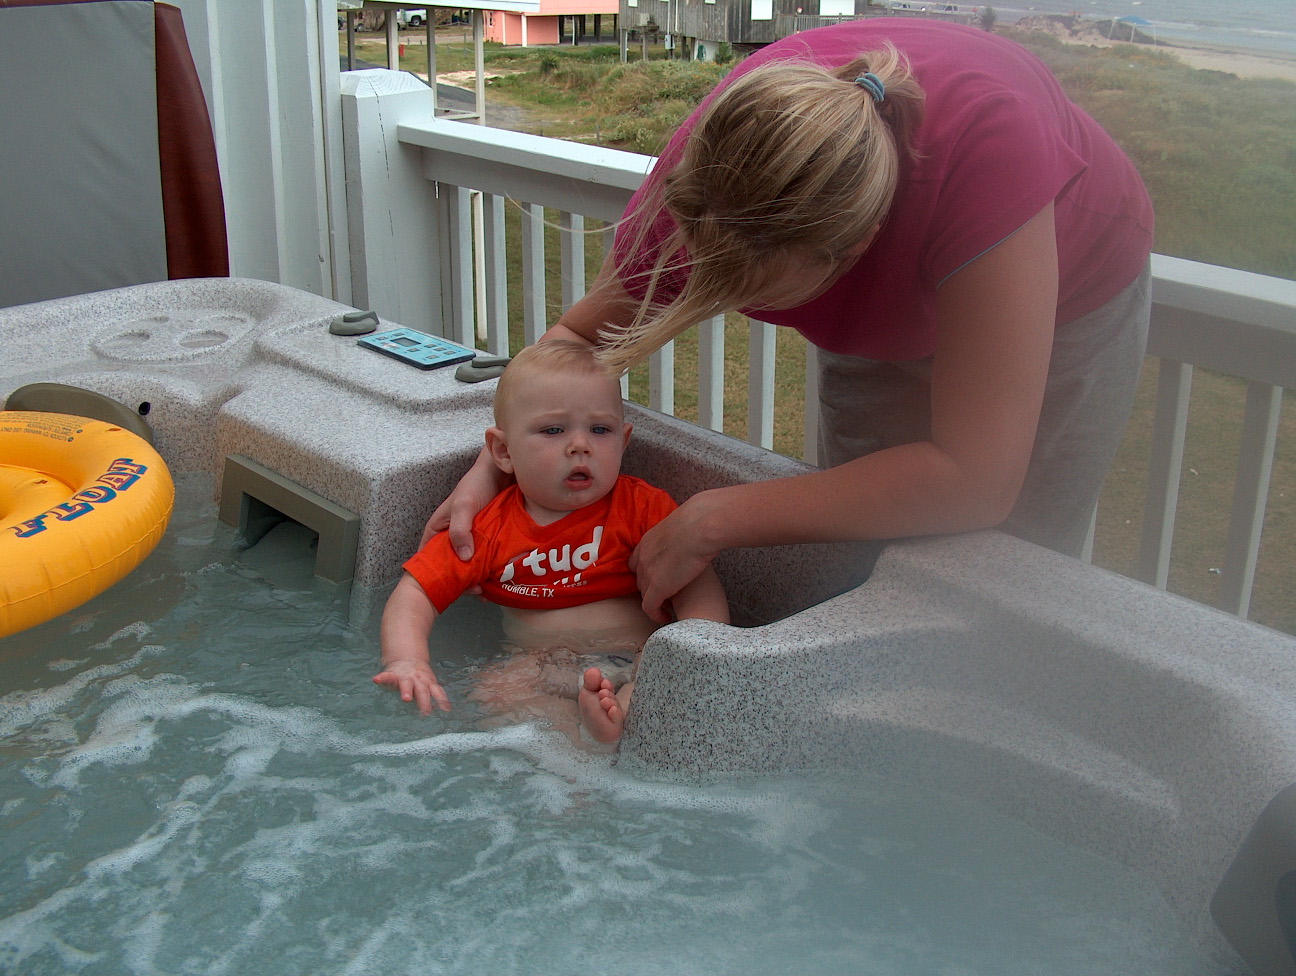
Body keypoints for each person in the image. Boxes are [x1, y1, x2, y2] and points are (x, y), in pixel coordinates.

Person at [427, 20, 1154, 628]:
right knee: (870, 555)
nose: (717, 293)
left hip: (1068, 295)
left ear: (858, 253)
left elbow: (978, 480)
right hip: (852, 236)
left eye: (751, 290)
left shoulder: (990, 152)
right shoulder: (712, 179)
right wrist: (491, 469)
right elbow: (576, 343)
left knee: (1004, 587)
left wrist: (712, 518)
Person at [377, 340, 730, 743]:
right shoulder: (487, 528)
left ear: (624, 441)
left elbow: (695, 580)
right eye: (553, 430)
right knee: (496, 691)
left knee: (662, 679)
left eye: (600, 430)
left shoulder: (643, 509)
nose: (580, 445)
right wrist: (407, 660)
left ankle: (615, 717)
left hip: (636, 653)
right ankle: (570, 756)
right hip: (539, 663)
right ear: (503, 451)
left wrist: (700, 648)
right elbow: (415, 593)